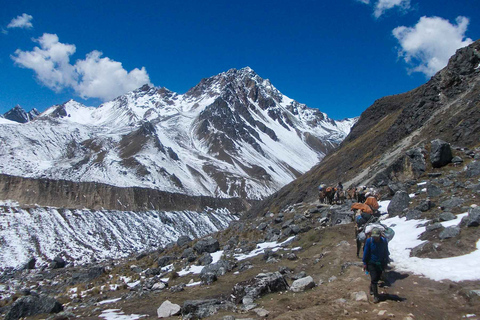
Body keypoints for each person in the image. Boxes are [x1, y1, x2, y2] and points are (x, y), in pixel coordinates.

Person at [362, 228, 390, 303]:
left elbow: (386, 251)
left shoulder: (384, 241)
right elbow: (366, 252)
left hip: (380, 263)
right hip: (371, 262)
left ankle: (371, 288)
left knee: (377, 277)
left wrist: (386, 261)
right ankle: (376, 296)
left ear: (380, 235)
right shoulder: (369, 241)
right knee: (374, 278)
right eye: (374, 236)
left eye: (376, 237)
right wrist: (364, 263)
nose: (375, 238)